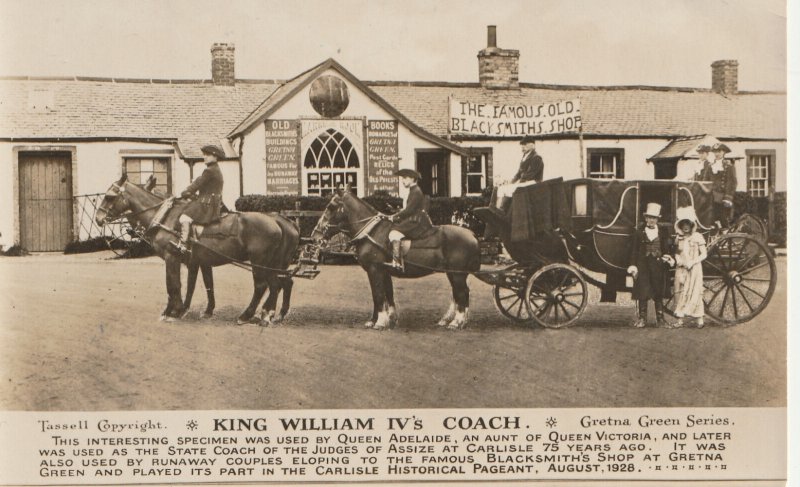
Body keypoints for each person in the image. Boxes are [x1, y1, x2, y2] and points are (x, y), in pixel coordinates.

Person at [627, 202, 675, 328]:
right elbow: (634, 251)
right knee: (642, 290)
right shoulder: (639, 232)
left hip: (658, 265)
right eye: (649, 217)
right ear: (646, 218)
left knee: (658, 291)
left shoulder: (663, 232)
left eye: (654, 218)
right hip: (643, 264)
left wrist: (668, 257)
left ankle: (660, 319)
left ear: (657, 219)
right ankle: (642, 319)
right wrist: (633, 265)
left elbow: (666, 248)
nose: (651, 220)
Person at [172, 144, 225, 254]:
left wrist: (186, 192)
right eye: (204, 155)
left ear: (215, 157)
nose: (204, 157)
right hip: (212, 202)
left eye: (208, 155)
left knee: (184, 217)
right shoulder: (215, 169)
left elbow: (197, 185)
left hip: (206, 204)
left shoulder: (209, 171)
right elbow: (202, 186)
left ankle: (183, 244)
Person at [670, 206, 707, 328]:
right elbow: (676, 252)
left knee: (695, 291)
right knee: (680, 291)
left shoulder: (697, 237)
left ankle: (699, 319)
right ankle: (680, 319)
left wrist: (693, 262)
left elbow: (704, 254)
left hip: (694, 268)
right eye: (683, 223)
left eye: (688, 223)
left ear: (691, 225)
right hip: (682, 268)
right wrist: (678, 259)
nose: (685, 226)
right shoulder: (679, 238)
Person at [387, 168, 432, 270]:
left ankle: (396, 261)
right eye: (402, 178)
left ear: (412, 179)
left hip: (415, 222)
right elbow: (408, 209)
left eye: (405, 178)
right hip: (413, 220)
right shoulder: (413, 191)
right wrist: (397, 213)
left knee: (394, 233)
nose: (402, 180)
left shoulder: (416, 191)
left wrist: (393, 217)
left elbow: (409, 211)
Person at [492, 135, 544, 215]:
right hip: (526, 182)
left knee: (510, 190)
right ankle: (498, 210)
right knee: (503, 188)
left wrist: (518, 183)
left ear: (532, 145)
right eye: (522, 145)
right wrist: (511, 182)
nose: (523, 147)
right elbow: (518, 174)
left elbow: (530, 175)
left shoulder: (536, 158)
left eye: (525, 144)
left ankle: (503, 211)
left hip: (534, 183)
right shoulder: (525, 157)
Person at [697, 142, 737, 227]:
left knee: (722, 218)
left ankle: (725, 235)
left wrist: (728, 198)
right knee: (708, 218)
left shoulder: (729, 166)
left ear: (724, 152)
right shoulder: (710, 166)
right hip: (710, 196)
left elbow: (732, 182)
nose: (717, 154)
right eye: (715, 152)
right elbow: (705, 181)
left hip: (721, 197)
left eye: (719, 151)